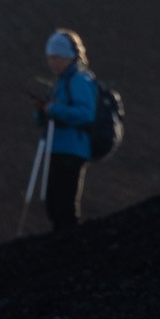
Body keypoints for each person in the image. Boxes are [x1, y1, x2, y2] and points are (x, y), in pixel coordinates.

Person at [37, 27, 100, 228]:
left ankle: (69, 247)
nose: (52, 62)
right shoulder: (62, 82)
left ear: (69, 57)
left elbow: (86, 114)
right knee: (54, 204)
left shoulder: (79, 80)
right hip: (57, 148)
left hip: (72, 149)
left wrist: (54, 109)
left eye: (56, 57)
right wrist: (42, 112)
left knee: (64, 204)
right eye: (50, 58)